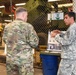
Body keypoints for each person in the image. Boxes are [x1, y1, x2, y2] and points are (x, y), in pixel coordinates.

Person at [3, 7, 39, 75]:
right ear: (23, 15)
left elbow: (5, 40)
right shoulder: (28, 27)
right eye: (26, 16)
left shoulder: (7, 27)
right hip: (24, 62)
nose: (27, 18)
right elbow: (34, 43)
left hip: (11, 60)